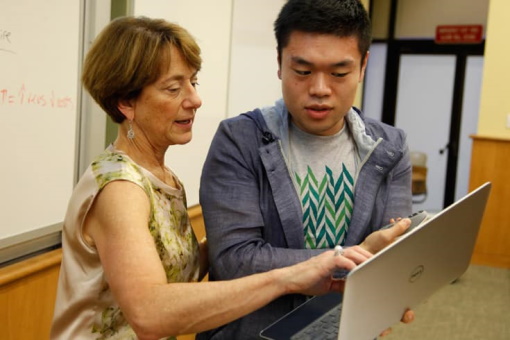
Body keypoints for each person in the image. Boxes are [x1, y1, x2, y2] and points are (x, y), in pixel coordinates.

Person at [50, 16, 373, 340]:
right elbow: (149, 312)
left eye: (193, 82)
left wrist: (242, 235)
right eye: (174, 88)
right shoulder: (120, 189)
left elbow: (176, 265)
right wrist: (289, 276)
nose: (194, 99)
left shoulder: (161, 177)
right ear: (126, 102)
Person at [198, 0, 414, 339]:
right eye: (302, 71)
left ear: (363, 66)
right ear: (280, 63)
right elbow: (235, 259)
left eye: (339, 73)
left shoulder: (389, 146)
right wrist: (351, 260)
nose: (319, 89)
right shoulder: (240, 140)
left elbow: (391, 255)